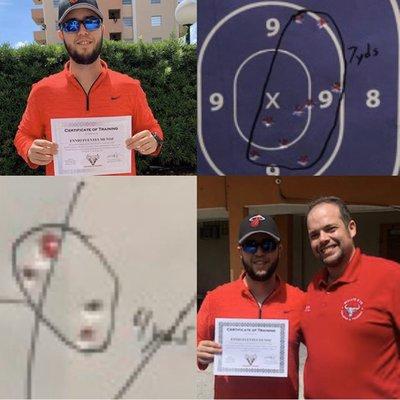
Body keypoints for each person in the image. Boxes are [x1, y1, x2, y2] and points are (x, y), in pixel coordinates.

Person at [14, 0, 163, 176]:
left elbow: (154, 131)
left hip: (119, 198)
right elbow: (22, 136)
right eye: (71, 25)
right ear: (61, 34)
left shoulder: (130, 87)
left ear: (102, 29)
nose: (82, 31)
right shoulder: (42, 91)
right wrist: (29, 149)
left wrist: (153, 141)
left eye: (91, 22)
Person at [197, 214, 305, 399]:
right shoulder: (215, 299)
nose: (259, 252)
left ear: (280, 249)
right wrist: (199, 352)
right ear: (240, 250)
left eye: (268, 245)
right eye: (251, 245)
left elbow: (324, 352)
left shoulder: (300, 300)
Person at [302, 196, 400, 399]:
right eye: (314, 235)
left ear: (352, 228)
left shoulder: (390, 277)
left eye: (330, 229)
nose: (323, 239)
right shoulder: (313, 287)